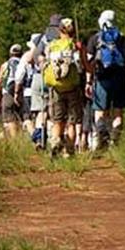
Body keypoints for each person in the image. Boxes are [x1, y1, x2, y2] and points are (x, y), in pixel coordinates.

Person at [86, 10, 125, 149]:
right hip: (121, 77)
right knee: (118, 113)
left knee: (100, 111)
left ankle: (100, 140)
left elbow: (89, 63)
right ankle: (115, 142)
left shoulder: (95, 39)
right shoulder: (123, 39)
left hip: (102, 78)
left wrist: (88, 82)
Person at [44, 17, 87, 157]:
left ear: (59, 29)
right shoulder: (77, 45)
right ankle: (69, 151)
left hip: (56, 88)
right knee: (72, 122)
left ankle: (55, 141)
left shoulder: (52, 45)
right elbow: (85, 65)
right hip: (73, 87)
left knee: (58, 120)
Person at [0, 44, 24, 138]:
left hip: (7, 93)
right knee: (20, 118)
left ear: (10, 54)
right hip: (22, 93)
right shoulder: (24, 64)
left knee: (9, 119)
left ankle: (14, 141)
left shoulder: (5, 65)